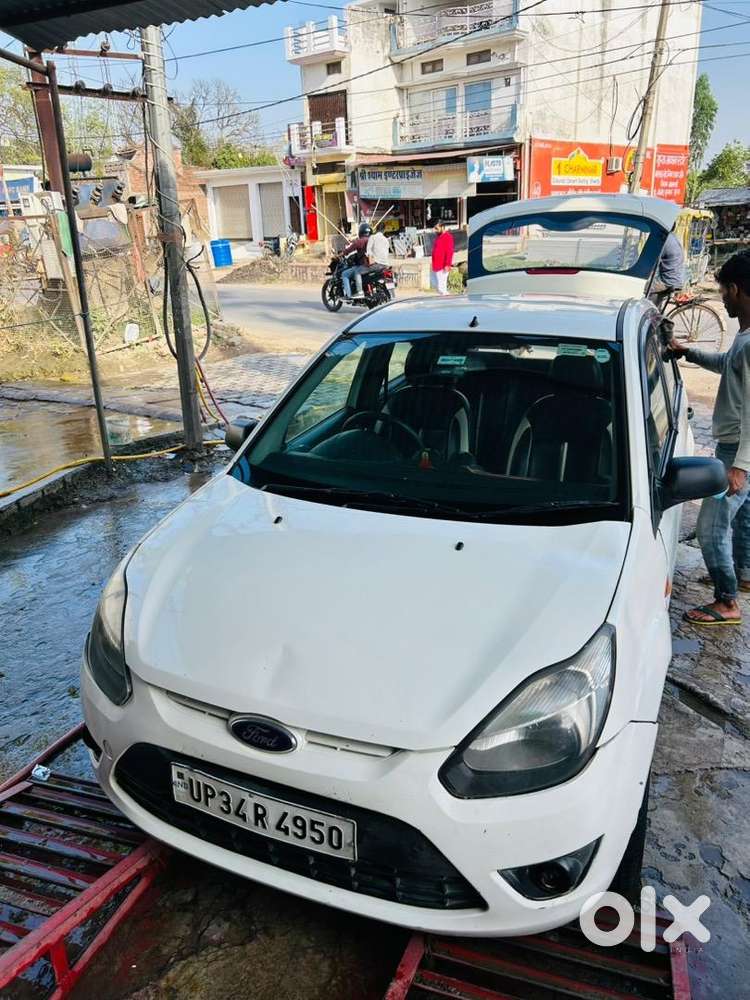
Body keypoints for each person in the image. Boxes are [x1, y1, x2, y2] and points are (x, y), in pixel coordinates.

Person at [670, 251, 750, 627]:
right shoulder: (745, 339)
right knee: (743, 519)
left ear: (736, 290)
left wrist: (739, 467)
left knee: (710, 527)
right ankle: (743, 575)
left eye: (723, 291)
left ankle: (727, 601)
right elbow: (727, 366)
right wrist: (689, 352)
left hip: (739, 450)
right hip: (738, 448)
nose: (721, 298)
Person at [650, 231, 686, 310]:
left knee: (646, 289)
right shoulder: (673, 238)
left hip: (668, 281)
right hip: (677, 278)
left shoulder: (665, 241)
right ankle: (657, 313)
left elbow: (654, 261)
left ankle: (651, 315)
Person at [353, 224, 390, 298]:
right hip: (385, 265)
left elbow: (368, 252)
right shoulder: (386, 240)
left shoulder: (373, 237)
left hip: (376, 264)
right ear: (384, 230)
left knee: (357, 272)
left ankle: (360, 292)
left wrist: (369, 261)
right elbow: (387, 252)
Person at [341, 223, 371, 300]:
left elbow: (349, 249)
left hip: (364, 265)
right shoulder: (372, 240)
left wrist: (341, 253)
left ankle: (349, 295)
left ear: (360, 232)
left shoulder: (360, 241)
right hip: (375, 264)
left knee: (344, 274)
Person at [431, 220, 454, 296]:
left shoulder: (448, 237)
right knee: (435, 283)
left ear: (443, 227)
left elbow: (449, 252)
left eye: (436, 228)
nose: (435, 230)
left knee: (441, 288)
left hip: (442, 266)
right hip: (436, 265)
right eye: (435, 228)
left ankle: (446, 301)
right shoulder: (439, 237)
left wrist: (447, 264)